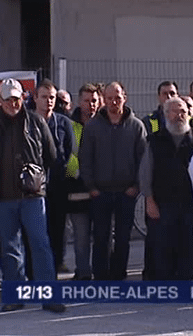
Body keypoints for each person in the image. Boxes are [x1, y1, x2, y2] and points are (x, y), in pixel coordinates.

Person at [0, 78, 65, 313]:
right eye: (7, 99)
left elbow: (52, 155)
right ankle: (14, 296)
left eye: (16, 98)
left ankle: (50, 296)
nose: (12, 103)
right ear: (0, 100)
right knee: (9, 248)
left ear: (23, 98)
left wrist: (35, 175)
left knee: (40, 245)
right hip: (3, 197)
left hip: (33, 197)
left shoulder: (36, 121)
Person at [79, 81, 147, 280]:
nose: (113, 102)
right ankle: (101, 276)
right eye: (109, 98)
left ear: (124, 97)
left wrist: (136, 185)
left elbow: (143, 160)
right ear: (104, 100)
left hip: (127, 192)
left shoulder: (136, 126)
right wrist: (91, 186)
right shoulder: (92, 127)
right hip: (100, 192)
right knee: (101, 237)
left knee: (123, 239)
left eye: (117, 98)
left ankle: (118, 275)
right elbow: (85, 159)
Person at [139, 97, 193, 280]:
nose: (179, 115)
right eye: (175, 111)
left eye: (183, 111)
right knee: (162, 248)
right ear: (166, 114)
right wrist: (149, 200)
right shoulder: (154, 140)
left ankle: (187, 282)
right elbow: (145, 173)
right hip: (162, 205)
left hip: (191, 205)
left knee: (189, 247)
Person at [33, 79, 76, 274]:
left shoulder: (63, 123)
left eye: (51, 98)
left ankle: (57, 263)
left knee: (58, 227)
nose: (48, 102)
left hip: (58, 186)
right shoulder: (28, 121)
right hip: (33, 188)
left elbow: (71, 154)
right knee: (34, 230)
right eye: (44, 97)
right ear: (35, 98)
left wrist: (65, 176)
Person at [65, 83, 100, 281]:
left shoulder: (105, 124)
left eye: (94, 100)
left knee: (102, 237)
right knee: (81, 237)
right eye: (86, 101)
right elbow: (67, 158)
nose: (90, 105)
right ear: (79, 102)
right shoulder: (70, 125)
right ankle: (83, 273)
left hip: (102, 190)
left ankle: (102, 272)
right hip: (77, 189)